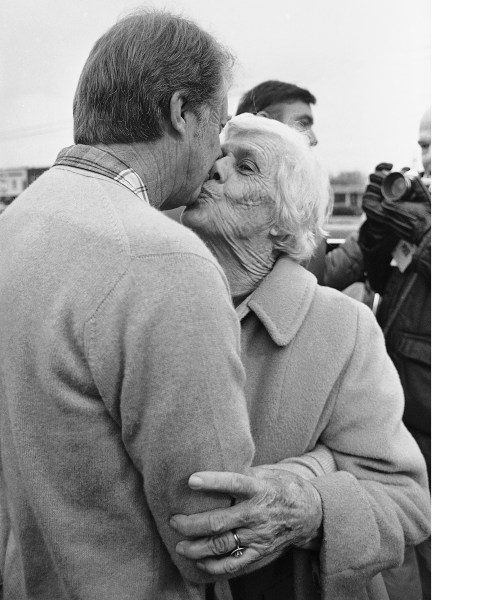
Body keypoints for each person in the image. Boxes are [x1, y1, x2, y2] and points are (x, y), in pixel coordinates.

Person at [0, 11, 263, 599]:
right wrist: (316, 482)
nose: (217, 151)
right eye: (220, 122)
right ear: (182, 112)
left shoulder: (13, 225)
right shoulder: (163, 260)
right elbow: (212, 526)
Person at [171, 113, 431, 600]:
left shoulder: (343, 327)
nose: (216, 169)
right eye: (219, 157)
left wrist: (309, 506)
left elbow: (408, 501)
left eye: (245, 167)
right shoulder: (152, 304)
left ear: (283, 223)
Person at [358, 108, 432, 600]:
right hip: (407, 397)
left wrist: (423, 237)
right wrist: (379, 231)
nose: (426, 156)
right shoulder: (428, 200)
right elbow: (379, 277)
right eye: (423, 144)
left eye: (437, 143)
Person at [234, 80, 365, 290]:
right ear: (264, 124)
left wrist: (367, 236)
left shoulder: (290, 196)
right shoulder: (235, 203)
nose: (314, 139)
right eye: (303, 124)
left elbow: (315, 279)